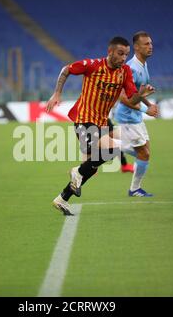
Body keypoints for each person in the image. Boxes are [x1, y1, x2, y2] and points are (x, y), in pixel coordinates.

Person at [46, 36, 156, 215]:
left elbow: (131, 98)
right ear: (110, 52)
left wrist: (143, 94)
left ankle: (62, 198)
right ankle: (76, 172)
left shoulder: (125, 71)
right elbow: (66, 70)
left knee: (91, 167)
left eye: (126, 54)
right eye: (120, 54)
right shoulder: (93, 65)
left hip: (100, 123)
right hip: (83, 119)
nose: (123, 58)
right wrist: (56, 93)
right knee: (110, 151)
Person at [115, 31, 158, 197]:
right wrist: (146, 109)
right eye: (146, 44)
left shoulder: (143, 65)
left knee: (146, 151)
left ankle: (111, 146)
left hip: (136, 116)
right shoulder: (131, 68)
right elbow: (123, 98)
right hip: (128, 117)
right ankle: (134, 189)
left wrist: (148, 102)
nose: (150, 46)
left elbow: (138, 92)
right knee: (144, 154)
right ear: (137, 47)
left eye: (151, 43)